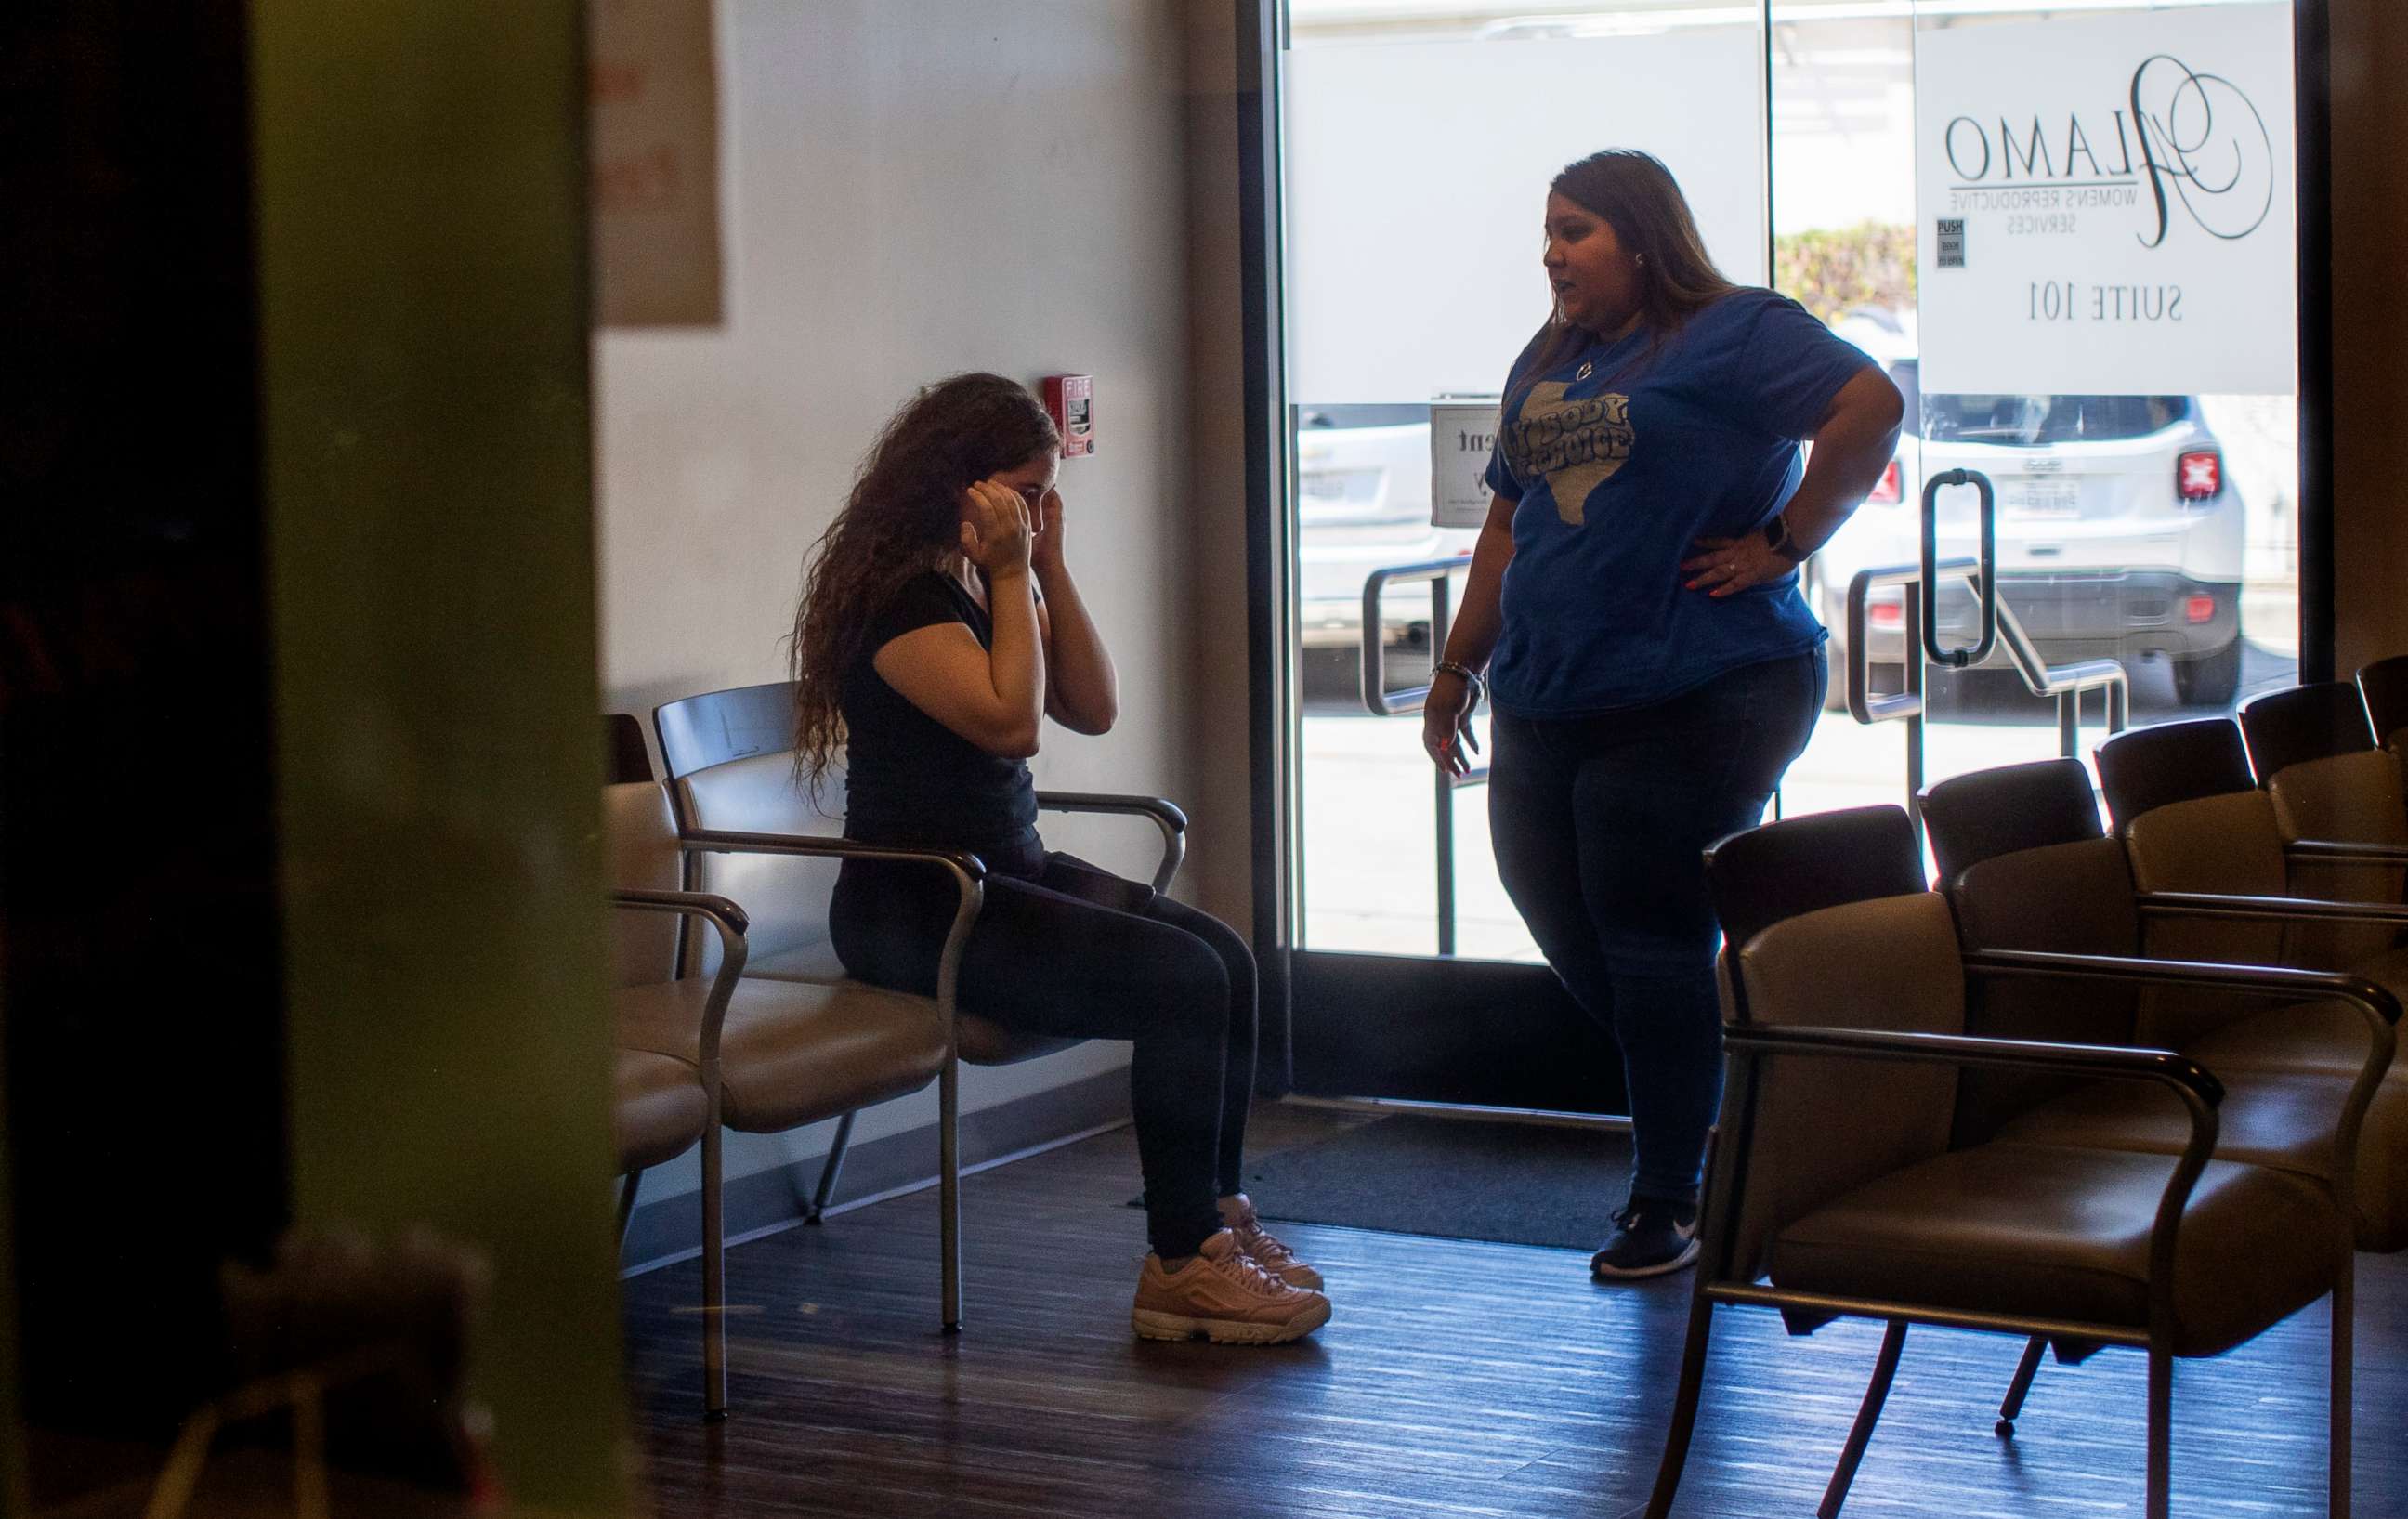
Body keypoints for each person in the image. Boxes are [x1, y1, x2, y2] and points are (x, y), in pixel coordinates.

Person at [1420, 151, 1904, 1280]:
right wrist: (1457, 668)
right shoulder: (1547, 361)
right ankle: (1731, 1066)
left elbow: (1870, 405)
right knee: (1559, 908)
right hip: (1551, 685)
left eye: (1576, 230)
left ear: (1643, 239)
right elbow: (1507, 524)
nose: (1552, 253)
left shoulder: (1733, 331)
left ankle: (1667, 1197)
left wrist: (1784, 541)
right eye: (1547, 232)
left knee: (1645, 922)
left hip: (1709, 683)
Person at [789, 373, 1329, 1344]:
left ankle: (1217, 1226)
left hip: (1002, 871)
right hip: (914, 908)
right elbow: (1012, 726)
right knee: (1178, 982)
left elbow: (1091, 703)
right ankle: (1180, 1265)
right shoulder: (900, 604)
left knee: (1228, 960)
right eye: (1020, 492)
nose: (1034, 511)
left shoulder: (976, 580)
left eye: (1045, 494)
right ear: (957, 487)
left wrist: (1049, 566)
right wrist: (1007, 576)